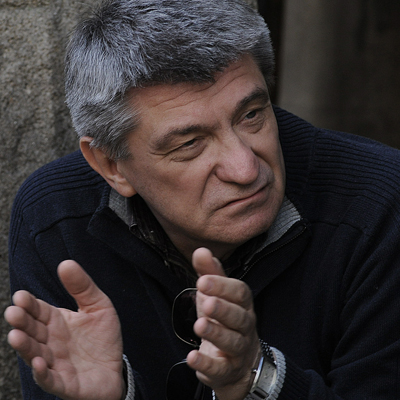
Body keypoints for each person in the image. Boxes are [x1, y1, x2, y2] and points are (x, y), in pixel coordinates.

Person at [4, 0, 400, 399]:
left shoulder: (380, 204)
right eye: (190, 143)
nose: (245, 168)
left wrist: (256, 379)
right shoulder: (55, 219)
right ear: (111, 166)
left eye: (251, 115)